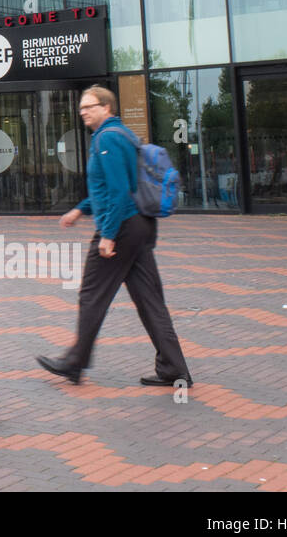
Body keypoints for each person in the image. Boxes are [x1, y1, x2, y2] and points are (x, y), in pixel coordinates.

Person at [37, 85, 193, 388]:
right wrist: (80, 210)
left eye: (89, 106)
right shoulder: (121, 135)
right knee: (150, 300)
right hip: (139, 224)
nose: (83, 111)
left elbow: (120, 190)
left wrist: (108, 236)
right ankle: (174, 369)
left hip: (121, 225)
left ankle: (74, 362)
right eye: (81, 107)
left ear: (106, 108)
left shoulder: (107, 138)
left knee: (92, 294)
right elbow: (111, 186)